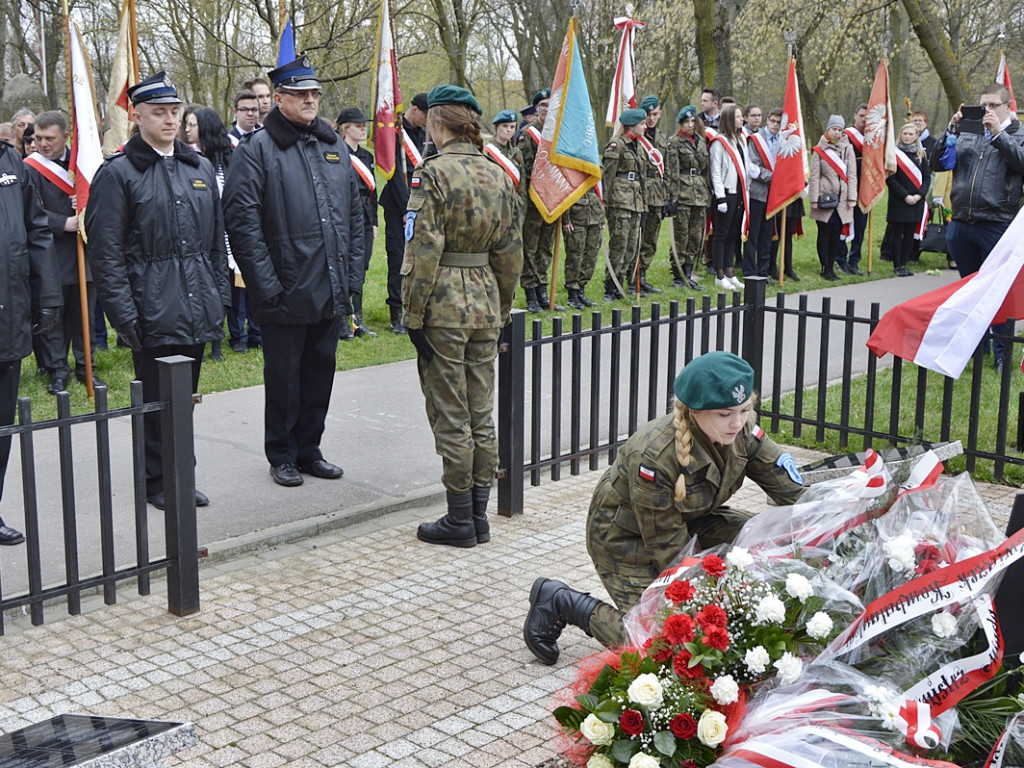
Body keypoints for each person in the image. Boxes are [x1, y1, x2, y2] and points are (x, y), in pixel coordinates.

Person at [523, 351, 806, 664]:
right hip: (627, 539)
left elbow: (796, 495)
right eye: (725, 414)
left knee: (770, 538)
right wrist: (715, 614)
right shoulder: (655, 457)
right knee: (665, 643)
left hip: (692, 521)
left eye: (745, 410)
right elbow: (672, 554)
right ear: (695, 411)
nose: (737, 423)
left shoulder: (742, 431)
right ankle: (562, 601)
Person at [85, 71, 230, 511]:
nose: (169, 120)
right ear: (137, 116)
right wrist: (124, 316)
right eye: (158, 112)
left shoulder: (197, 166)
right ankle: (157, 481)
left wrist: (220, 293)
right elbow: (106, 254)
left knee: (184, 400)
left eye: (174, 112)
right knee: (156, 404)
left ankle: (182, 475)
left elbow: (215, 240)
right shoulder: (118, 173)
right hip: (151, 306)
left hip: (197, 301)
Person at [223, 56, 363, 487]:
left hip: (330, 286)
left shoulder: (332, 145)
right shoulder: (257, 150)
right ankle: (282, 453)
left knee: (320, 374)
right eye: (300, 94)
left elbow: (354, 216)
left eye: (314, 93)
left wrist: (352, 277)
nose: (310, 100)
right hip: (283, 290)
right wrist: (267, 287)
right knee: (284, 379)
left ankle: (309, 450)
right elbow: (242, 224)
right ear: (278, 99)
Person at [403, 85, 523, 548]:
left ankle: (460, 519)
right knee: (480, 412)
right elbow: (510, 253)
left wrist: (413, 316)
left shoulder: (432, 173)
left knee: (451, 413)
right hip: (486, 302)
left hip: (444, 305)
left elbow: (423, 250)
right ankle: (478, 515)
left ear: (437, 122)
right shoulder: (498, 174)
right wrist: (502, 306)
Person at [932, 83, 1024, 373]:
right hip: (962, 222)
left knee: (998, 293)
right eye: (983, 105)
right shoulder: (969, 131)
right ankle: (975, 346)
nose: (987, 110)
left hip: (997, 223)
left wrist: (998, 134)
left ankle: (1001, 353)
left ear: (1008, 107)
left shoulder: (1018, 135)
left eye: (994, 105)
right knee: (970, 289)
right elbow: (937, 163)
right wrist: (950, 130)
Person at [0, 126, 62, 546]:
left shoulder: (11, 163)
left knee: (1, 427)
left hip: (8, 318)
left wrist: (49, 296)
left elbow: (37, 231)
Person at [23, 110, 103, 393]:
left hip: (83, 252)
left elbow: (105, 200)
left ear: (66, 137)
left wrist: (86, 204)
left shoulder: (82, 164)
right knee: (53, 317)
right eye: (38, 138)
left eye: (50, 138)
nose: (42, 144)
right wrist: (61, 223)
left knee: (84, 316)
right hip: (50, 254)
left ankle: (86, 367)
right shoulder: (29, 168)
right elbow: (25, 211)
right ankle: (58, 370)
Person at [192, 106, 249, 360]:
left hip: (228, 234)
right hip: (203, 234)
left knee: (226, 289)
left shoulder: (230, 156)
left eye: (192, 125)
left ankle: (221, 341)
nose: (187, 130)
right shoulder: (190, 158)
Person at [379, 92, 428, 334]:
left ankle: (414, 307)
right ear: (414, 109)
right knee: (398, 259)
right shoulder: (395, 133)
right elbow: (395, 174)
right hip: (399, 205)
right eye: (425, 115)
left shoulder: (425, 135)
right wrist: (406, 209)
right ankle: (396, 311)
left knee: (420, 259)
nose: (427, 120)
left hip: (422, 206)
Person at [518, 88, 564, 312]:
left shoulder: (559, 134)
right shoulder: (528, 134)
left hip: (551, 199)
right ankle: (530, 293)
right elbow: (525, 169)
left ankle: (542, 290)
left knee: (545, 247)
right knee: (530, 248)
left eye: (549, 104)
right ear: (536, 109)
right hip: (533, 200)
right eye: (542, 105)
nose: (546, 108)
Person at [335, 106, 378, 338]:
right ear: (345, 128)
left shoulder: (367, 157)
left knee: (361, 267)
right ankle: (343, 319)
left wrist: (374, 222)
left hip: (365, 217)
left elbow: (373, 192)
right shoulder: (336, 153)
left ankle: (357, 320)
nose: (363, 129)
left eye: (364, 125)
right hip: (345, 216)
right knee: (345, 266)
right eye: (358, 125)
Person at [601, 108, 647, 300]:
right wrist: (604, 204)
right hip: (619, 202)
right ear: (631, 126)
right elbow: (607, 177)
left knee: (632, 245)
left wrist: (644, 205)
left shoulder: (639, 146)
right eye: (642, 124)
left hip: (636, 202)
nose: (645, 127)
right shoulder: (616, 145)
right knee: (619, 244)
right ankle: (610, 285)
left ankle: (621, 282)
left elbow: (641, 178)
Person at [664, 105, 709, 291]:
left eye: (693, 121)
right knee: (681, 236)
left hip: (699, 194)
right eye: (686, 122)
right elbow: (672, 172)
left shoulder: (701, 142)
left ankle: (688, 273)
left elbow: (705, 170)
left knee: (696, 236)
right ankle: (678, 275)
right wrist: (672, 198)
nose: (690, 125)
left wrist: (708, 196)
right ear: (681, 124)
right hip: (682, 194)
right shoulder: (674, 142)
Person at [809, 114, 858, 281]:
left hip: (842, 199)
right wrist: (814, 199)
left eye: (839, 129)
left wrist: (852, 197)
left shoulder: (848, 148)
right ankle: (825, 267)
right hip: (824, 197)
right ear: (828, 129)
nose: (837, 132)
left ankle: (831, 265)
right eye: (834, 129)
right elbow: (814, 176)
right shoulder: (819, 149)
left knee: (836, 234)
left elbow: (852, 175)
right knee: (824, 232)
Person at [709, 103, 749, 290]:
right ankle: (719, 273)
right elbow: (715, 171)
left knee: (733, 233)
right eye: (738, 116)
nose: (742, 119)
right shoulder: (719, 142)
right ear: (729, 119)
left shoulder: (741, 139)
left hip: (740, 192)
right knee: (722, 233)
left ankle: (729, 271)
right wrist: (720, 197)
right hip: (726, 193)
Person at [885, 122, 930, 277]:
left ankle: (904, 264)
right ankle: (897, 265)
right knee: (897, 233)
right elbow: (891, 179)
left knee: (910, 234)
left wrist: (919, 195)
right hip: (899, 200)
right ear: (900, 135)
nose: (908, 136)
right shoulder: (893, 154)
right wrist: (905, 195)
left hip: (916, 201)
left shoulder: (921, 154)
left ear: (916, 136)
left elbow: (927, 178)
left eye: (911, 134)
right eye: (905, 133)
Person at [633, 95, 667, 296]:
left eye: (655, 114)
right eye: (648, 115)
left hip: (658, 195)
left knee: (651, 239)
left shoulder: (662, 138)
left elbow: (667, 169)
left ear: (660, 113)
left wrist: (668, 196)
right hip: (641, 194)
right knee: (636, 238)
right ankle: (632, 277)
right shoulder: (637, 138)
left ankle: (643, 276)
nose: (651, 118)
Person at [743, 106, 780, 279]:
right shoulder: (756, 139)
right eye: (773, 121)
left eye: (779, 122)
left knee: (767, 235)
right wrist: (776, 178)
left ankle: (763, 270)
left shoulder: (784, 141)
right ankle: (750, 271)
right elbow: (753, 167)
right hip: (757, 193)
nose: (775, 125)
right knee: (754, 234)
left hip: (775, 196)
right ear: (767, 121)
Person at [562, 188, 604, 310]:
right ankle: (572, 294)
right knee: (575, 256)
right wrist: (566, 219)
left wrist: (601, 216)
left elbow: (602, 189)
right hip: (576, 215)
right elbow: (564, 191)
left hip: (595, 214)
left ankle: (581, 290)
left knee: (591, 255)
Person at [840, 104, 868, 275]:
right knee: (844, 224)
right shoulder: (846, 136)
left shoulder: (874, 139)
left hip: (865, 187)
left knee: (860, 225)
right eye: (862, 115)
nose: (864, 119)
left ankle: (854, 260)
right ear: (855, 115)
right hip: (847, 186)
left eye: (867, 116)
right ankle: (840, 259)